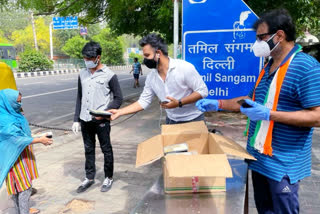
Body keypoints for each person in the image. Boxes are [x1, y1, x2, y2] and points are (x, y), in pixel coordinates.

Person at [196, 9, 320, 214]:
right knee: (265, 210)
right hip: (259, 160)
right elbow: (249, 103)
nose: (257, 43)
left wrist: (270, 115)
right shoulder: (268, 67)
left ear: (279, 36)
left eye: (261, 37)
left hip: (283, 166)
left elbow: (317, 116)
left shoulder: (305, 67)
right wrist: (217, 104)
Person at [109, 33, 208, 124]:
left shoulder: (184, 68)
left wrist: (179, 103)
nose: (145, 59)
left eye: (147, 55)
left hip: (193, 119)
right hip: (171, 120)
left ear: (158, 53)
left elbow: (202, 91)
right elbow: (144, 101)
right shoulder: (152, 77)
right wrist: (120, 112)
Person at [72, 41, 123, 193]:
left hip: (101, 120)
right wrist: (76, 119)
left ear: (98, 57)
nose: (86, 61)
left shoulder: (109, 75)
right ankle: (89, 177)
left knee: (106, 149)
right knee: (88, 149)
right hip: (85, 119)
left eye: (89, 59)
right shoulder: (82, 74)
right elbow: (79, 97)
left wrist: (104, 113)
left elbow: (118, 98)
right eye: (85, 59)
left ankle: (108, 177)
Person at [0, 89, 53, 214]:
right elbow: (16, 139)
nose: (19, 105)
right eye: (17, 102)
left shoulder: (12, 113)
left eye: (20, 102)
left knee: (18, 188)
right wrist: (40, 140)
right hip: (14, 158)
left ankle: (22, 210)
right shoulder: (4, 119)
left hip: (20, 155)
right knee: (24, 189)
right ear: (7, 103)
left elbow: (22, 133)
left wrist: (37, 136)